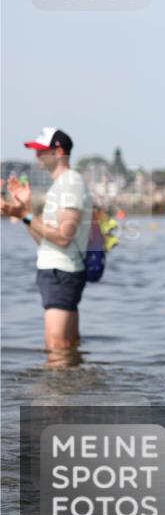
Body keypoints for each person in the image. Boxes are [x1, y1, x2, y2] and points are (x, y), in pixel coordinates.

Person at [1, 129, 92, 367]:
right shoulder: (61, 184)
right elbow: (45, 241)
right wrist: (25, 211)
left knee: (56, 349)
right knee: (66, 348)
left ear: (59, 152)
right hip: (58, 272)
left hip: (61, 273)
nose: (37, 156)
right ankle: (71, 389)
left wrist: (24, 214)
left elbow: (63, 238)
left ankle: (56, 392)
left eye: (42, 151)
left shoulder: (70, 184)